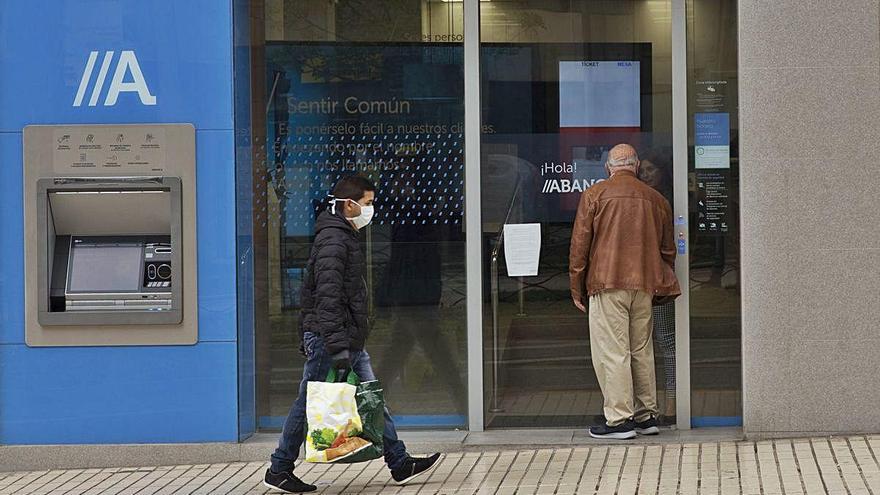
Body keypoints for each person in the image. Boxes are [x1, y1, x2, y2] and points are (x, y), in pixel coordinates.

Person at [265, 176, 442, 493]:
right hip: (333, 341)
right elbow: (327, 299)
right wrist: (338, 350)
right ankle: (279, 467)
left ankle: (398, 462)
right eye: (368, 203)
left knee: (372, 399)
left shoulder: (341, 236)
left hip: (345, 339)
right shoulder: (335, 242)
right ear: (349, 204)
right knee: (308, 402)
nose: (370, 209)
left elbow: (314, 295)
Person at [569, 144, 681, 440]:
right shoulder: (656, 199)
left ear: (609, 168)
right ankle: (647, 416)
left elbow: (580, 246)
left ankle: (619, 420)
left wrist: (575, 286)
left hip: (607, 285)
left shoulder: (594, 195)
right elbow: (667, 250)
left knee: (613, 351)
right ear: (636, 165)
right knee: (641, 349)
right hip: (643, 285)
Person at [637, 156, 678, 422]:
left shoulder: (665, 202)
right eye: (643, 171)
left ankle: (673, 401)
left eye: (652, 169)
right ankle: (646, 405)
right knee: (640, 344)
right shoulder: (641, 200)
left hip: (658, 283)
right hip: (642, 280)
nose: (647, 175)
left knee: (665, 340)